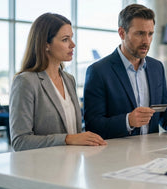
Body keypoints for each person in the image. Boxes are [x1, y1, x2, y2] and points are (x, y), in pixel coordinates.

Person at [84, 4, 167, 139]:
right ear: (122, 33)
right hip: (115, 156)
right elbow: (93, 125)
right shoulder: (98, 71)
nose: (146, 41)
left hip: (153, 153)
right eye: (140, 33)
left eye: (150, 34)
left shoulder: (157, 68)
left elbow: (164, 110)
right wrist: (128, 121)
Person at [9, 13, 107, 151]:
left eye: (71, 38)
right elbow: (20, 141)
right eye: (65, 39)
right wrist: (68, 139)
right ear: (46, 45)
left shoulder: (69, 80)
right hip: (44, 168)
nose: (73, 44)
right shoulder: (26, 81)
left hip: (72, 166)